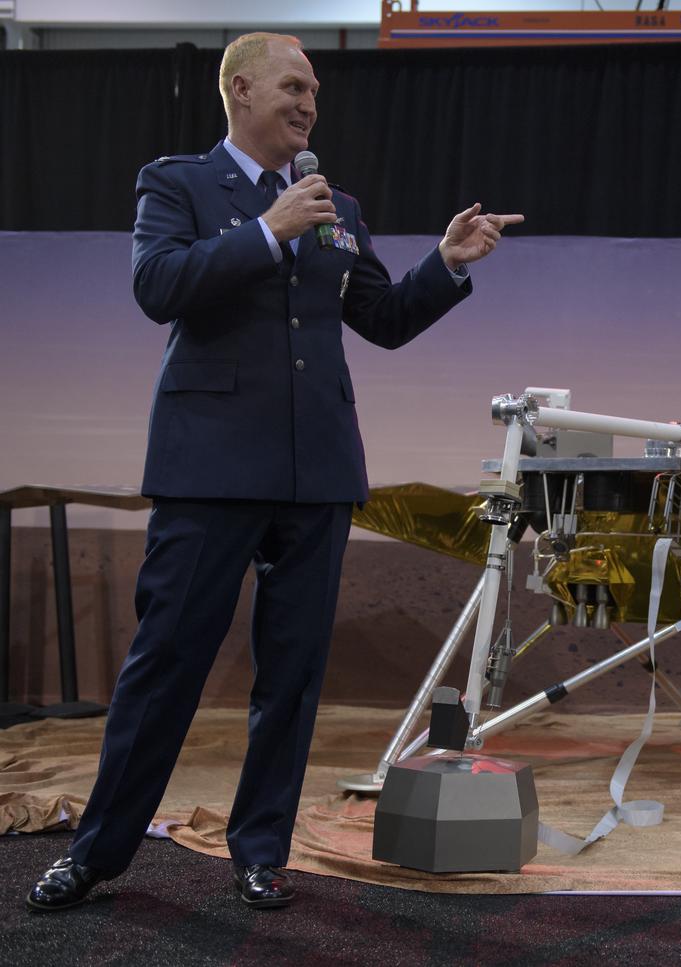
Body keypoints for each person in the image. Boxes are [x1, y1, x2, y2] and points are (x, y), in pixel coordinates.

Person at [27, 32, 523, 912]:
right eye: (294, 86)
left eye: (317, 92)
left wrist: (444, 264)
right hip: (210, 467)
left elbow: (381, 317)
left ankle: (262, 851)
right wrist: (267, 230)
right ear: (241, 90)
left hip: (318, 472)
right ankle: (96, 854)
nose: (309, 103)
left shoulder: (340, 206)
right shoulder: (175, 182)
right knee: (166, 662)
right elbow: (158, 287)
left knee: (290, 674)